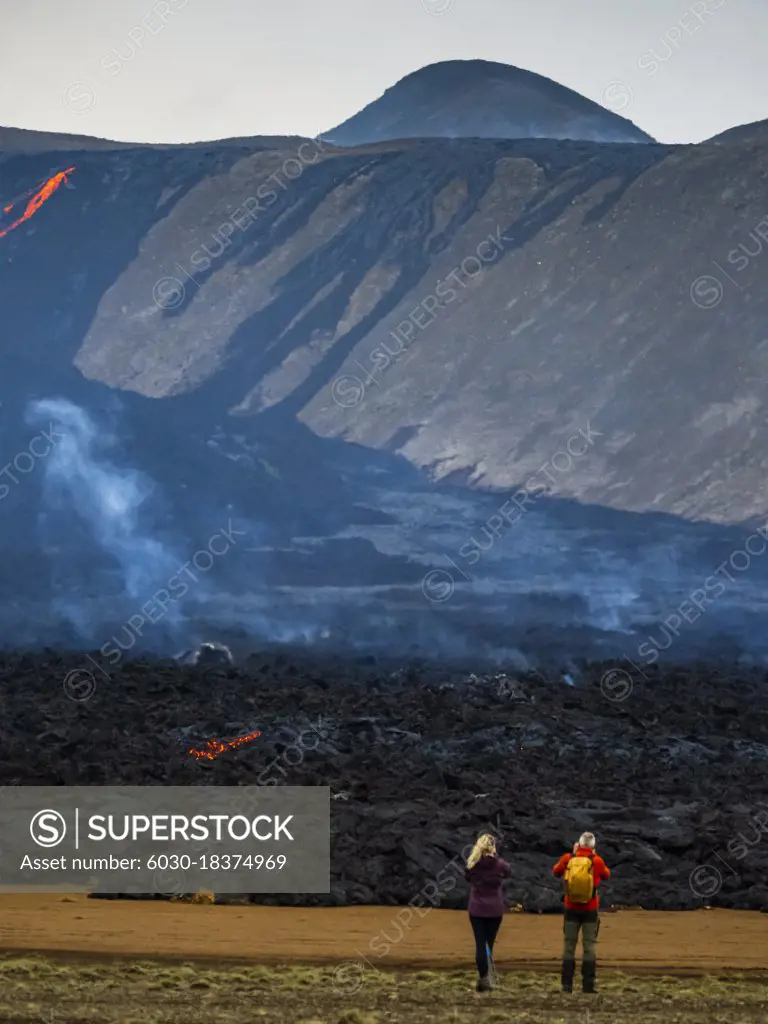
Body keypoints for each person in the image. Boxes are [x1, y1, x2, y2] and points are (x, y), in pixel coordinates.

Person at [552, 832, 611, 994]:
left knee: (569, 946)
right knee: (589, 947)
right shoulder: (596, 861)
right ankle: (588, 985)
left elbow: (555, 871)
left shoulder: (567, 859)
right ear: (592, 846)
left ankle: (566, 985)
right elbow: (607, 875)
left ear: (578, 843)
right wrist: (594, 856)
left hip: (570, 908)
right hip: (590, 909)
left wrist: (572, 854)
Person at [464, 832, 511, 992]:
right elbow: (508, 872)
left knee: (480, 944)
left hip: (476, 909)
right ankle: (487, 977)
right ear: (493, 847)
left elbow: (467, 877)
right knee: (488, 945)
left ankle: (484, 977)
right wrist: (495, 858)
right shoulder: (500, 865)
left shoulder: (473, 864)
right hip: (494, 910)